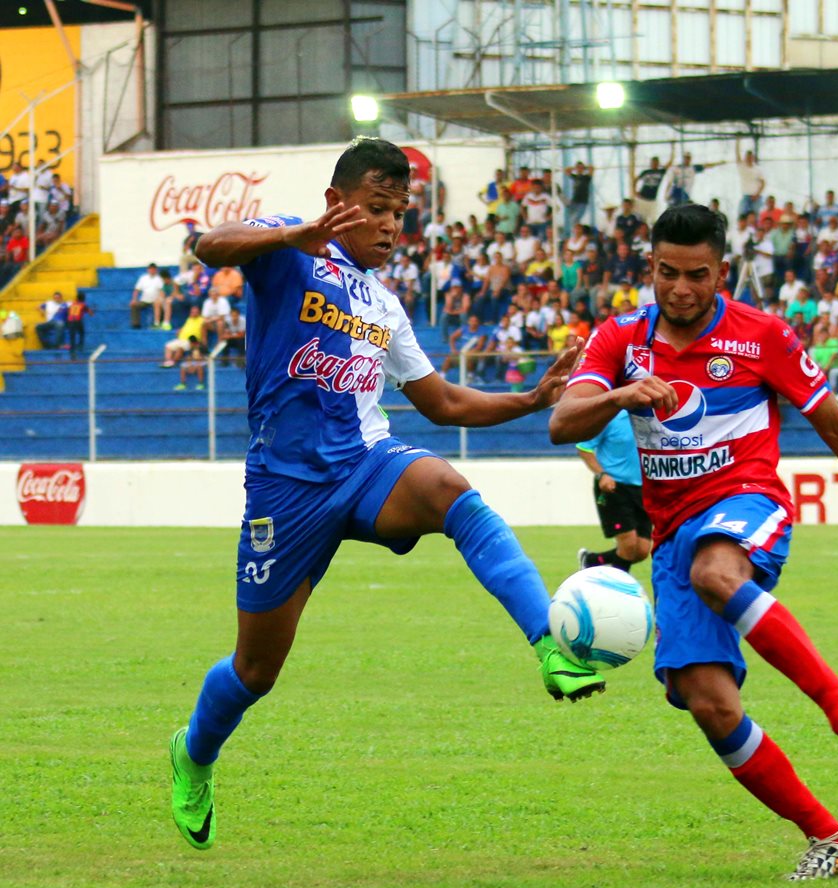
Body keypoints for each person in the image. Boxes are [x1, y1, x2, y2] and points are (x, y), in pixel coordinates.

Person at [168, 137, 598, 852]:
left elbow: (443, 405)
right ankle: (194, 752)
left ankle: (550, 643)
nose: (393, 226)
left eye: (400, 212)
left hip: (366, 463)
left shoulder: (384, 306)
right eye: (377, 209)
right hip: (286, 487)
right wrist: (298, 234)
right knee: (255, 670)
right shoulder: (285, 248)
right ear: (336, 204)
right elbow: (209, 247)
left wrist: (528, 399)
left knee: (447, 487)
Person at [549, 204, 838, 882]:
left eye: (696, 275)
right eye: (667, 273)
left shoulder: (762, 336)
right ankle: (829, 836)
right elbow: (563, 420)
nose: (680, 288)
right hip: (671, 533)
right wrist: (620, 395)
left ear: (721, 272)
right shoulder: (619, 339)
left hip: (745, 502)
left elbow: (835, 425)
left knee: (716, 570)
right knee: (709, 704)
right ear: (650, 268)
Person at [575, 410, 650, 572]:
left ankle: (591, 560)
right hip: (614, 487)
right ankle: (618, 589)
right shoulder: (608, 418)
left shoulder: (648, 418)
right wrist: (601, 474)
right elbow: (584, 448)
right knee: (628, 545)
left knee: (642, 550)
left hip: (643, 489)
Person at [130, 263, 167, 329]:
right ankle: (136, 324)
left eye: (153, 269)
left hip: (155, 301)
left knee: (160, 304)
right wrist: (134, 299)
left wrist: (160, 299)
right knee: (134, 305)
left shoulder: (159, 279)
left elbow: (162, 291)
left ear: (156, 270)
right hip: (144, 300)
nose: (152, 270)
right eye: (150, 269)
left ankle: (158, 323)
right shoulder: (143, 278)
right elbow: (137, 290)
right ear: (148, 270)